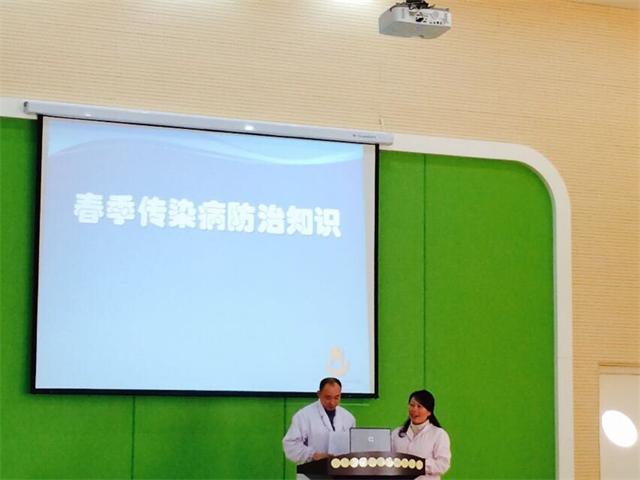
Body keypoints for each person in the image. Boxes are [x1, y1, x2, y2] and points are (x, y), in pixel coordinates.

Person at [282, 377, 356, 464]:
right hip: (312, 468)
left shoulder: (348, 417)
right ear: (319, 394)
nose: (332, 402)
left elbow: (353, 445)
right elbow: (290, 445)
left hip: (341, 468)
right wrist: (313, 455)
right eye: (328, 397)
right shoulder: (304, 415)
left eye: (336, 397)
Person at [391, 389, 451, 480]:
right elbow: (389, 460)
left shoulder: (439, 434)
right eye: (412, 405)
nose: (414, 409)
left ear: (429, 412)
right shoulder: (396, 433)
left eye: (419, 406)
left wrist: (418, 464)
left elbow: (443, 465)